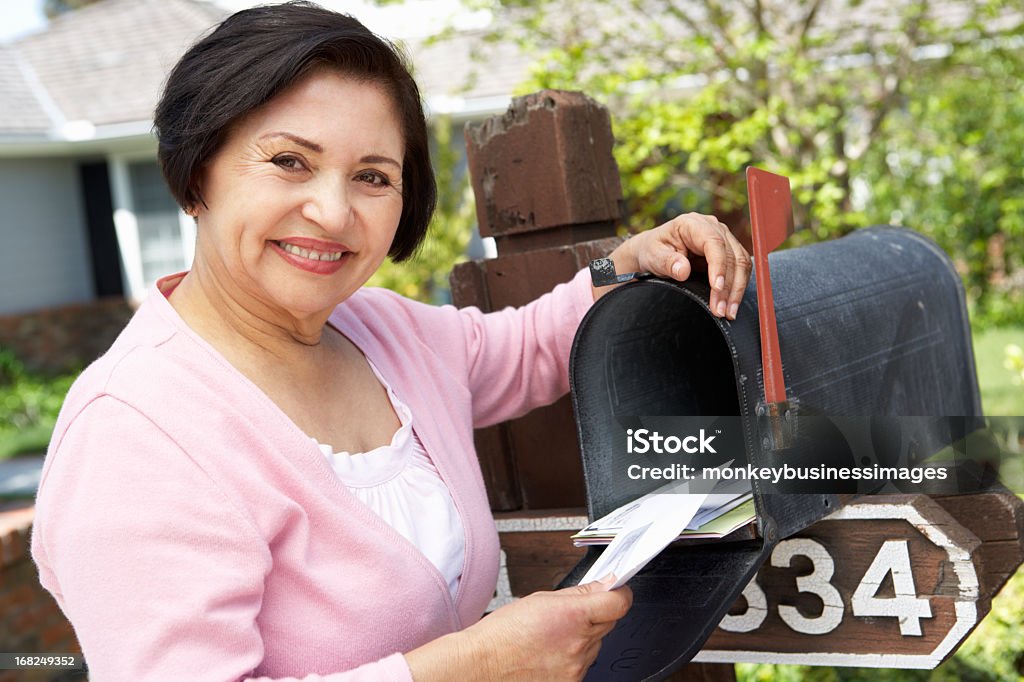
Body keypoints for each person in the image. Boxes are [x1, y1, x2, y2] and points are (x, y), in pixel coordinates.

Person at [30, 2, 751, 680]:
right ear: (197, 172)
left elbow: (526, 347)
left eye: (373, 176)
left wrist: (627, 263)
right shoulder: (133, 435)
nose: (333, 210)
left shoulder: (384, 330)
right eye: (289, 161)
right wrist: (473, 667)